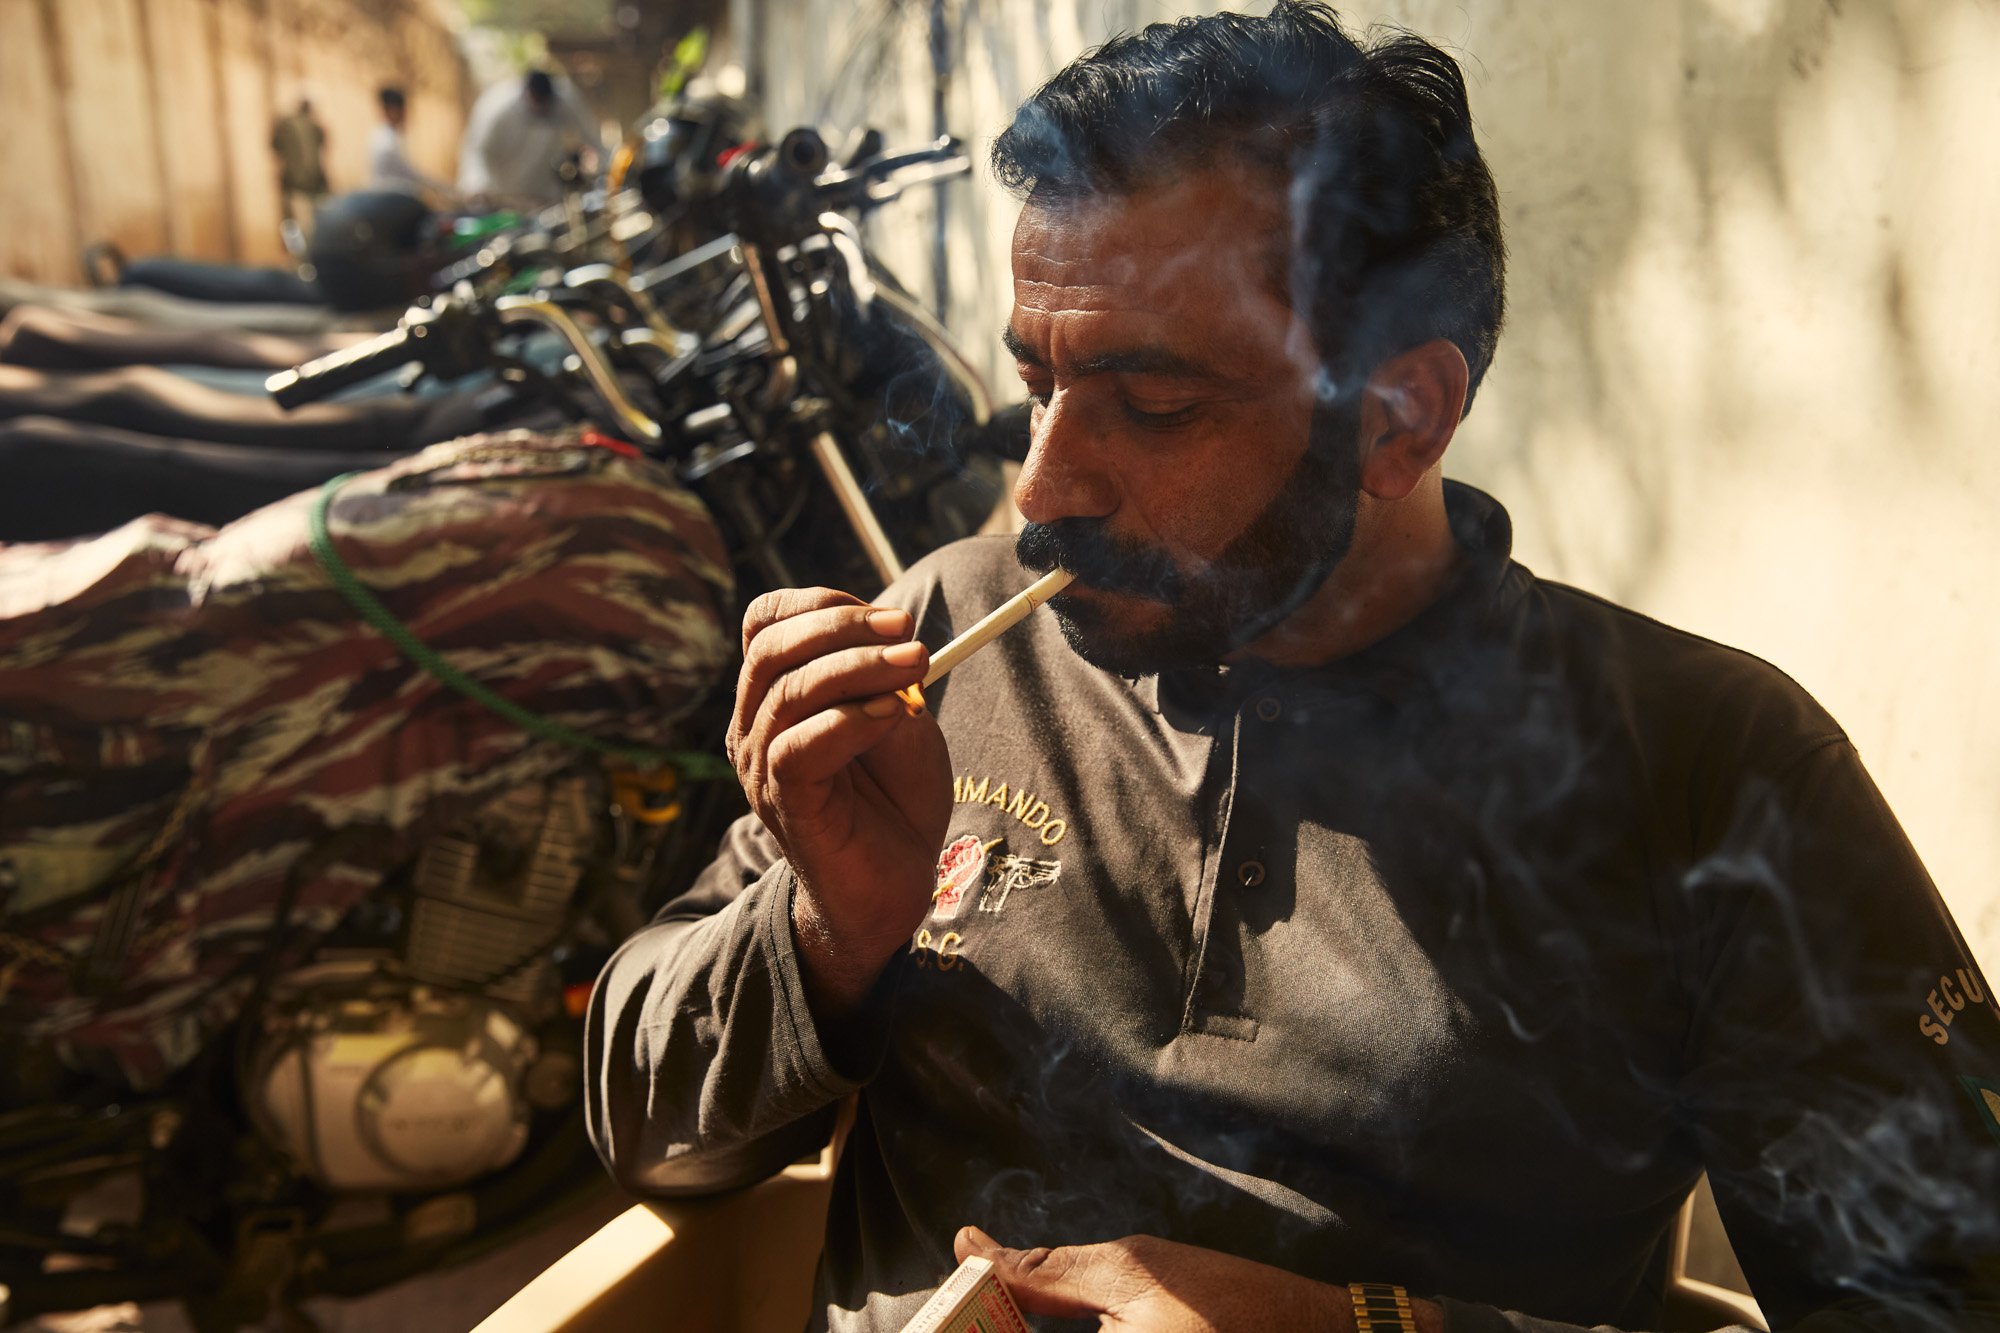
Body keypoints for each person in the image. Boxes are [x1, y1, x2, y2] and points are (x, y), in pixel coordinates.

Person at [585, 5, 2000, 1331]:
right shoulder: (947, 648)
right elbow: (648, 1134)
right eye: (1035, 384)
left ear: (1400, 416)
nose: (1040, 491)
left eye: (1153, 404)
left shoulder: (1711, 775)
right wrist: (828, 939)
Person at [456, 69, 603, 211]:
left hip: (547, 197)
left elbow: (591, 135)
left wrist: (607, 170)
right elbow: (477, 151)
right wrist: (477, 184)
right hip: (506, 199)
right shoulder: (496, 107)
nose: (542, 109)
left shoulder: (566, 100)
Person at [367, 86, 453, 202]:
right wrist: (444, 189)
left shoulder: (382, 135)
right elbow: (410, 175)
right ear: (390, 110)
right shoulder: (386, 141)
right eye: (402, 110)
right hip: (390, 199)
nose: (405, 115)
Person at [270, 97, 329, 235]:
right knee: (318, 216)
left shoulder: (284, 123)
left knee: (290, 220)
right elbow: (323, 147)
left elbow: (275, 147)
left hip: (292, 180)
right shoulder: (315, 125)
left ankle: (294, 248)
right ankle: (313, 246)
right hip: (313, 180)